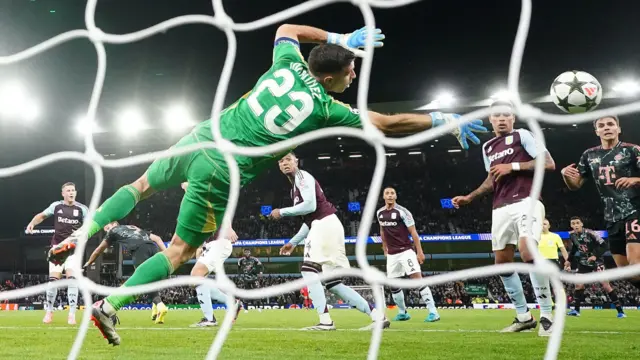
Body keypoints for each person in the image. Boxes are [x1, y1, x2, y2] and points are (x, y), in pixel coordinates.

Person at [51, 24, 485, 345]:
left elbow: (286, 28)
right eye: (352, 70)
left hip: (199, 137)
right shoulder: (328, 109)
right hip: (222, 171)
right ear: (332, 79)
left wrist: (339, 37)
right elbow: (388, 123)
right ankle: (110, 306)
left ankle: (82, 232)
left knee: (141, 184)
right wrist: (443, 121)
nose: (354, 76)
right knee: (180, 252)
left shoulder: (288, 61)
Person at [452, 100, 556, 336]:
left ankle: (548, 314)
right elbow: (492, 179)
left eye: (506, 115)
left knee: (528, 250)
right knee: (502, 263)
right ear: (490, 119)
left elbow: (548, 163)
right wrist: (470, 197)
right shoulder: (488, 146)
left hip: (527, 201)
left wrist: (514, 166)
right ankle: (523, 316)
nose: (501, 119)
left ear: (512, 118)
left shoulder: (523, 135)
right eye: (496, 115)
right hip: (500, 207)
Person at [276, 152, 389, 330]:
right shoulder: (295, 188)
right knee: (333, 284)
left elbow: (311, 206)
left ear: (297, 161)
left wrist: (282, 211)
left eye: (288, 159)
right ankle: (377, 316)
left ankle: (325, 321)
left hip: (324, 224)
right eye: (281, 161)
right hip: (328, 224)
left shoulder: (302, 176)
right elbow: (309, 220)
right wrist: (294, 242)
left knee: (308, 270)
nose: (285, 163)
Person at [561, 116, 640, 293]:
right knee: (627, 273)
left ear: (618, 128)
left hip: (635, 212)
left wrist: (635, 179)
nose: (606, 128)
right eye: (601, 126)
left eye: (611, 124)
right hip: (611, 217)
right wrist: (566, 176)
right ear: (596, 131)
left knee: (635, 265)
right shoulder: (589, 155)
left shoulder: (633, 150)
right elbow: (575, 185)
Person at [26, 182, 87, 325]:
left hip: (73, 249)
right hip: (57, 249)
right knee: (53, 281)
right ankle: (49, 312)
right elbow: (41, 215)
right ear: (63, 193)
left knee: (72, 279)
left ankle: (71, 314)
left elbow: (91, 224)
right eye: (68, 190)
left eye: (73, 190)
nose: (71, 192)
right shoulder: (56, 206)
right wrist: (32, 223)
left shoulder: (82, 209)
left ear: (75, 192)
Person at [84, 222, 169, 323]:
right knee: (151, 280)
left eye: (107, 227)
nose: (106, 229)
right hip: (153, 247)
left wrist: (88, 263)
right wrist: (166, 253)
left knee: (143, 280)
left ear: (114, 224)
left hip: (139, 250)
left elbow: (99, 250)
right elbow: (157, 238)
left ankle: (160, 306)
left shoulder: (113, 231)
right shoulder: (134, 227)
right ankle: (155, 310)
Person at [376, 187, 439, 322]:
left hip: (406, 251)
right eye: (387, 193)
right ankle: (403, 312)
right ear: (383, 197)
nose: (390, 195)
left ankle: (433, 311)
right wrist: (384, 248)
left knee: (417, 279)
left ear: (396, 196)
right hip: (392, 255)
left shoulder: (403, 212)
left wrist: (419, 251)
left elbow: (414, 233)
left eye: (392, 193)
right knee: (393, 285)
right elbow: (382, 231)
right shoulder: (380, 213)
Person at [565, 217, 626, 318]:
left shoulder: (590, 233)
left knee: (605, 285)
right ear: (571, 225)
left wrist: (595, 256)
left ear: (581, 224)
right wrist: (568, 260)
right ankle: (576, 310)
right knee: (578, 285)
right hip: (584, 262)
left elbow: (604, 245)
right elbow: (575, 248)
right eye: (573, 223)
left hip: (597, 262)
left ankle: (620, 311)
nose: (575, 225)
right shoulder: (571, 235)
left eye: (577, 223)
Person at [190, 228, 242, 327]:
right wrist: (200, 247)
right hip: (210, 246)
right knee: (197, 281)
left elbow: (224, 214)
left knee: (196, 276)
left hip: (219, 243)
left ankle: (210, 319)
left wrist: (229, 228)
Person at [237, 248, 264, 312]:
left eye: (248, 252)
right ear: (244, 253)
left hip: (254, 278)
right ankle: (246, 309)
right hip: (246, 279)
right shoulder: (240, 260)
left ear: (250, 252)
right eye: (245, 252)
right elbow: (238, 269)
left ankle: (259, 307)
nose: (247, 253)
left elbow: (261, 266)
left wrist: (261, 272)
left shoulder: (254, 259)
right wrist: (239, 276)